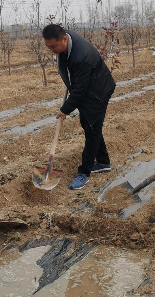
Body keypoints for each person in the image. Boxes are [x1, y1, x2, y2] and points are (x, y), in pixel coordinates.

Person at [42, 24, 116, 190]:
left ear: (64, 39)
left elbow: (80, 91)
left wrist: (65, 109)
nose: (51, 50)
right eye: (48, 46)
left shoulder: (81, 56)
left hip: (97, 92)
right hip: (89, 88)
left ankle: (84, 172)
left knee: (92, 129)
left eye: (53, 46)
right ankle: (103, 162)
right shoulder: (66, 42)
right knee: (90, 125)